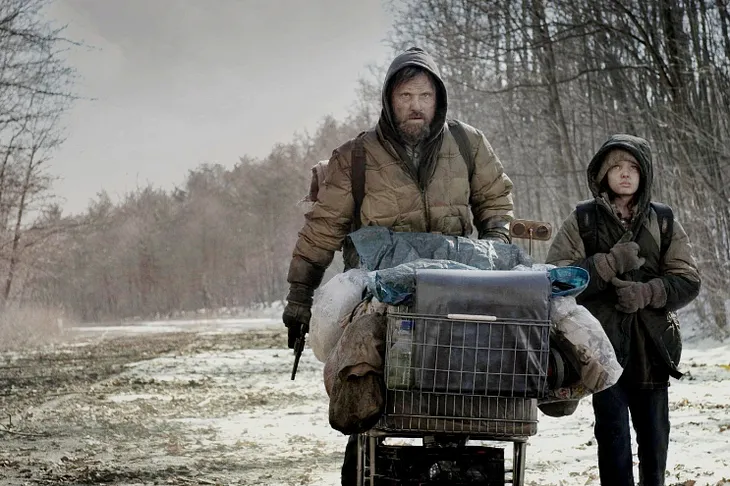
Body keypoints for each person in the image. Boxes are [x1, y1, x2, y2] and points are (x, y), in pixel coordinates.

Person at [282, 46, 515, 485]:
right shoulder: (355, 156)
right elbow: (322, 230)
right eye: (406, 95)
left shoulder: (468, 143)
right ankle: (362, 459)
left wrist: (494, 248)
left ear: (438, 98)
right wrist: (299, 297)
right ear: (389, 99)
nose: (415, 105)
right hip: (377, 287)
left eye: (425, 95)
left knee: (457, 388)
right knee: (366, 384)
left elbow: (495, 201)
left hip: (452, 284)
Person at [546, 134, 701, 486]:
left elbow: (688, 279)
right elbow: (556, 278)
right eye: (616, 166)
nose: (625, 174)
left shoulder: (663, 220)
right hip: (601, 348)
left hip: (653, 347)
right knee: (612, 434)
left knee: (654, 438)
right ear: (602, 173)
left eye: (633, 167)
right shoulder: (583, 219)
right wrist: (607, 264)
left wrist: (649, 292)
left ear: (644, 173)